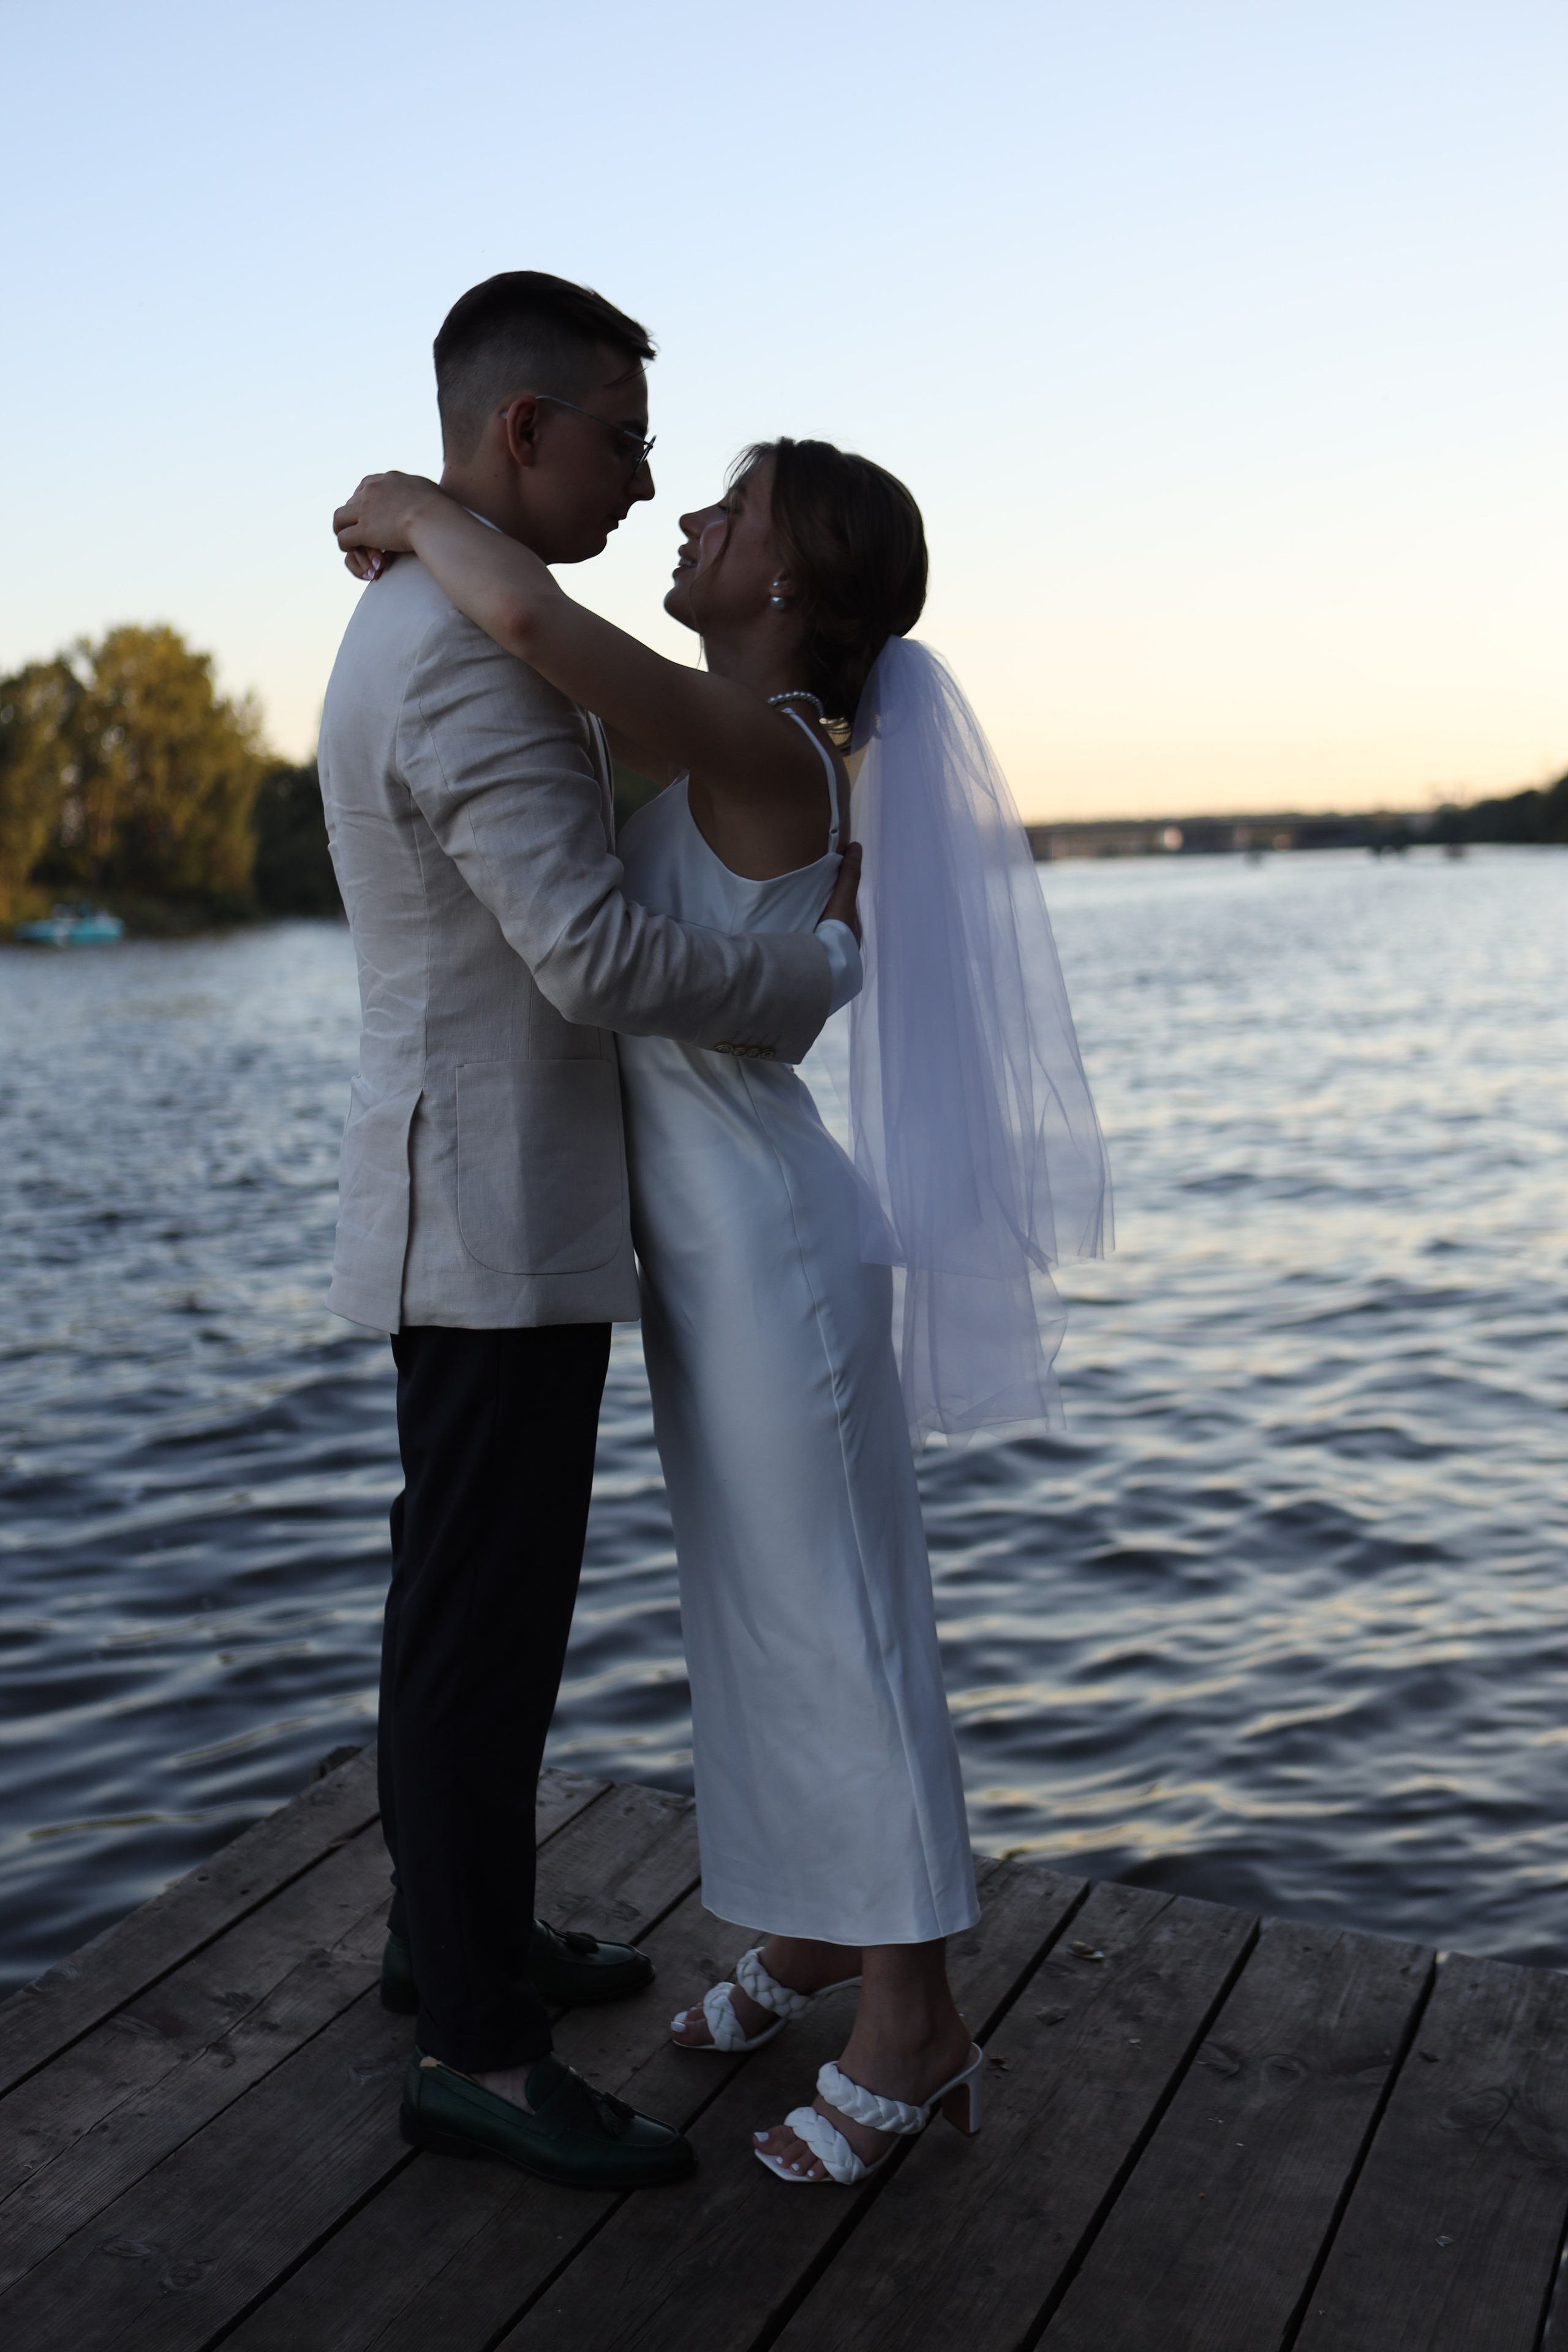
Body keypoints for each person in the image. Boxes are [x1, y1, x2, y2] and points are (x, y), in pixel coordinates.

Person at [334, 434, 1110, 2187]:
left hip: (765, 1248)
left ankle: (916, 2018)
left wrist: (417, 506)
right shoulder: (726, 741)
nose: (687, 516)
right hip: (702, 1253)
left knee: (838, 1620)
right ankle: (824, 1926)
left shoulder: (765, 749)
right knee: (759, 1619)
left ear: (785, 579)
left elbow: (532, 627)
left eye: (731, 504)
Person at [317, 271, 864, 2193]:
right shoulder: (468, 655)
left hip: (476, 1190)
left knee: (457, 1609)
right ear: (525, 431)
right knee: (482, 1637)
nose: (643, 481)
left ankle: (445, 1934)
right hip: (492, 1204)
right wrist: (803, 982)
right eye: (625, 441)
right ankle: (478, 2048)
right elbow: (595, 958)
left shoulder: (438, 608)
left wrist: (408, 506)